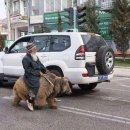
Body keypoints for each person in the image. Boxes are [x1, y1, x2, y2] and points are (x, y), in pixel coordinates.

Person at [22, 42, 48, 111]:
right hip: (30, 76)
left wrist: (46, 71)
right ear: (30, 50)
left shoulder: (35, 56)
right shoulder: (25, 58)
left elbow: (41, 65)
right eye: (34, 49)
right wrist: (38, 73)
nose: (36, 50)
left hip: (38, 73)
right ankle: (30, 100)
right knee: (35, 84)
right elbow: (28, 70)